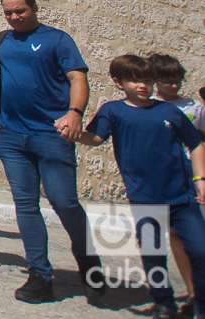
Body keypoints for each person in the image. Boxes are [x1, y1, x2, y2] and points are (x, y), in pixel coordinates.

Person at [0, 0, 106, 305]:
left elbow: (77, 78)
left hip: (51, 134)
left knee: (65, 202)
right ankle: (40, 275)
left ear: (34, 8)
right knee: (25, 204)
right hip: (10, 135)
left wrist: (75, 113)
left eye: (19, 11)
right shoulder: (4, 40)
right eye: (8, 12)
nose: (14, 17)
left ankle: (90, 264)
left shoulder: (57, 40)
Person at [78, 54, 205, 319]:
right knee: (152, 253)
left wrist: (200, 180)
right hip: (144, 197)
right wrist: (74, 132)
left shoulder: (169, 111)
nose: (142, 86)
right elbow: (96, 137)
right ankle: (164, 303)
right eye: (134, 80)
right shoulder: (113, 111)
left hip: (181, 196)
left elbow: (196, 144)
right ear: (118, 82)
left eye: (147, 80)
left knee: (200, 250)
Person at [150, 53, 205, 315]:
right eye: (167, 81)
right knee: (168, 236)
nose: (173, 86)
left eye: (177, 80)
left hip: (188, 177)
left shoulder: (193, 108)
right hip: (156, 177)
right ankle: (186, 292)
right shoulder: (145, 105)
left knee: (193, 238)